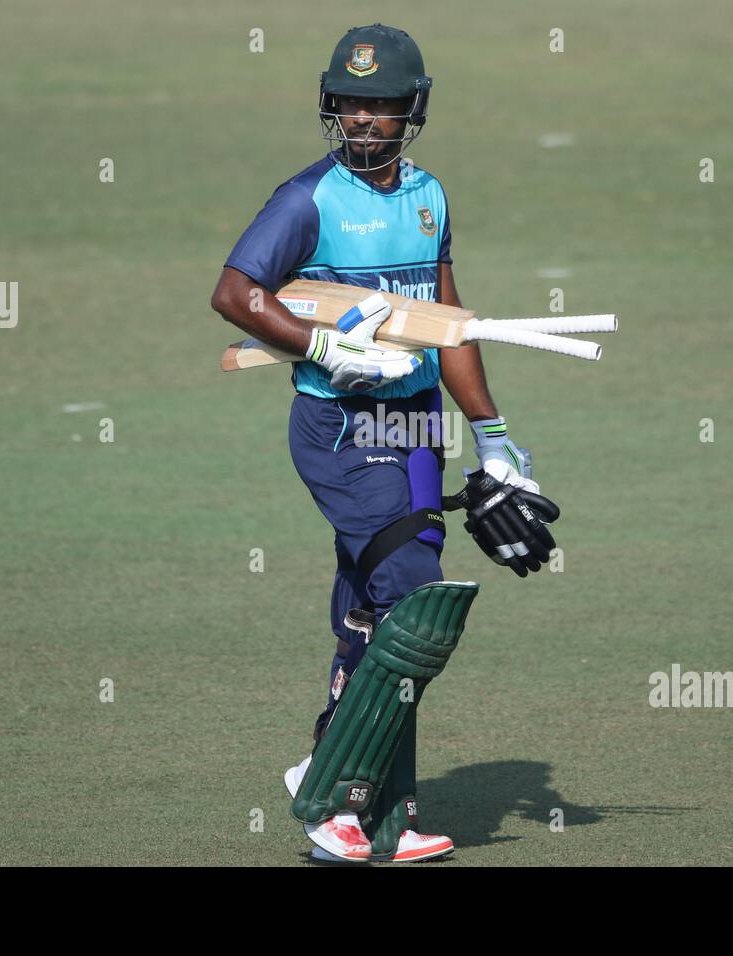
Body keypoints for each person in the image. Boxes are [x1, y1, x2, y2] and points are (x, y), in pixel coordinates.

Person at [210, 23, 547, 863]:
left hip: (420, 418)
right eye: (351, 104)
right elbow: (234, 291)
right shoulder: (308, 199)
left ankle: (384, 813)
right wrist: (321, 346)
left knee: (370, 608)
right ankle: (333, 795)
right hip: (338, 424)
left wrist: (496, 439)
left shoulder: (429, 197)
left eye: (383, 106)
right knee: (411, 592)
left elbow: (450, 326)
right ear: (332, 107)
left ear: (411, 111)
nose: (364, 119)